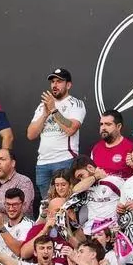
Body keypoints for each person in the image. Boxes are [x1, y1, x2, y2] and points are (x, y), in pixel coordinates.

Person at [25, 68, 86, 196]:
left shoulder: (75, 104)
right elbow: (31, 134)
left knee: (66, 201)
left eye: (59, 81)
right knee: (47, 203)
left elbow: (71, 129)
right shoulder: (42, 106)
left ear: (68, 85)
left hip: (64, 160)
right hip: (42, 162)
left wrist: (53, 110)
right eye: (53, 82)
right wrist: (44, 114)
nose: (54, 85)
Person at [91, 110, 133, 179]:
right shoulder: (96, 148)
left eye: (108, 124)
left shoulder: (130, 148)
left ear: (118, 126)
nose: (103, 128)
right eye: (101, 124)